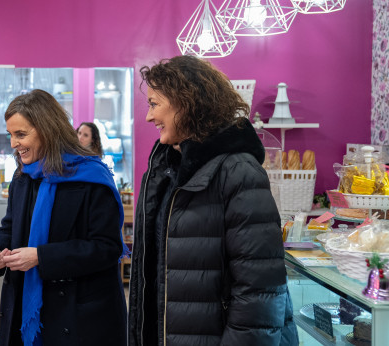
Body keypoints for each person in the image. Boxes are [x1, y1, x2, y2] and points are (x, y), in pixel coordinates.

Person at [128, 56, 298, 346]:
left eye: (154, 104)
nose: (148, 117)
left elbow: (260, 293)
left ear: (186, 103)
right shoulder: (166, 169)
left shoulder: (238, 171)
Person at [0, 89, 128, 346]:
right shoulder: (23, 177)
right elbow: (11, 225)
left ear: (47, 130)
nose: (13, 144)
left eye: (21, 134)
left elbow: (107, 248)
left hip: (80, 317)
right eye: (10, 135)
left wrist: (41, 257)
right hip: (27, 314)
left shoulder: (92, 178)